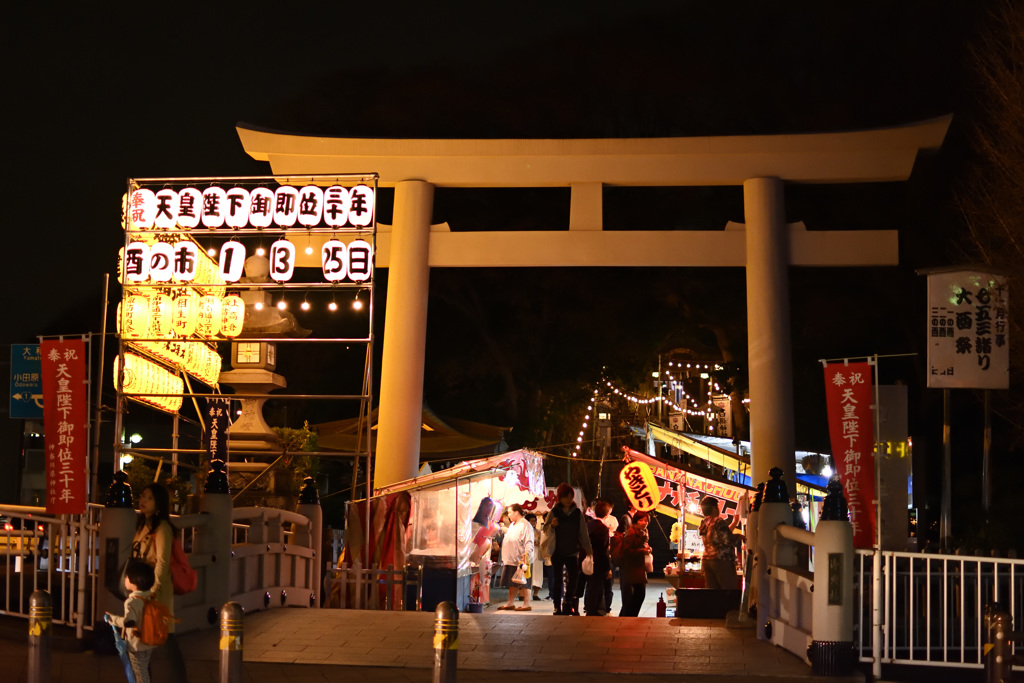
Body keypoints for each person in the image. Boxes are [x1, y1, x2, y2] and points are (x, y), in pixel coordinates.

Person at [131, 483, 189, 682]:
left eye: (149, 498)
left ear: (158, 505)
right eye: (142, 496)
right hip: (141, 590)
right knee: (143, 641)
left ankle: (179, 678)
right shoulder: (141, 525)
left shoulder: (162, 527)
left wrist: (154, 589)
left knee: (163, 638)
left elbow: (163, 561)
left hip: (157, 592)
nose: (143, 501)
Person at [542, 483, 592, 615]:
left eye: (571, 497)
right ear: (560, 498)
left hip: (572, 550)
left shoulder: (577, 513)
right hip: (557, 550)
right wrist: (552, 525)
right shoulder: (554, 512)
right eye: (566, 497)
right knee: (557, 579)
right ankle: (557, 606)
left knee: (574, 578)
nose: (569, 500)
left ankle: (568, 601)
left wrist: (588, 548)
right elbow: (545, 530)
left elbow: (583, 532)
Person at [106, 559, 157, 683]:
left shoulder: (132, 602)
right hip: (150, 641)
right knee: (144, 667)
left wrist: (112, 619)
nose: (125, 579)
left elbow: (129, 621)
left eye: (127, 577)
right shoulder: (150, 597)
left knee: (139, 671)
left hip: (136, 644)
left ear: (134, 582)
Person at [497, 504, 535, 611]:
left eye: (509, 512)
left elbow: (529, 541)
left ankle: (526, 604)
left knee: (525, 582)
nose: (508, 515)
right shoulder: (513, 524)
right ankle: (510, 603)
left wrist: (526, 553)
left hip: (522, 558)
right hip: (511, 558)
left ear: (516, 512)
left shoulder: (525, 525)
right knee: (512, 582)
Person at [699, 496, 740, 590]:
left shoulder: (704, 522)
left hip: (707, 561)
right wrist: (739, 536)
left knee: (712, 592)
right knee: (727, 592)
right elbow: (728, 539)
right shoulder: (718, 521)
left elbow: (719, 536)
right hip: (721, 561)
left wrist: (734, 522)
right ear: (714, 508)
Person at [618, 510, 651, 617]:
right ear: (636, 521)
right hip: (632, 567)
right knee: (639, 593)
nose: (644, 522)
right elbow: (626, 550)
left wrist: (647, 548)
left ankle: (629, 616)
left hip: (639, 567)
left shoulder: (643, 531)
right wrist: (643, 551)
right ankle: (629, 616)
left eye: (646, 520)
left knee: (638, 594)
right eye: (641, 520)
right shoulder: (631, 532)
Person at [583, 499, 613, 616]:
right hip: (599, 561)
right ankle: (596, 610)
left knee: (590, 585)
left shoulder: (588, 525)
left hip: (588, 559)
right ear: (606, 513)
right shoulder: (603, 528)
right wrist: (608, 567)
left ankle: (589, 608)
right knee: (598, 586)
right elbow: (604, 549)